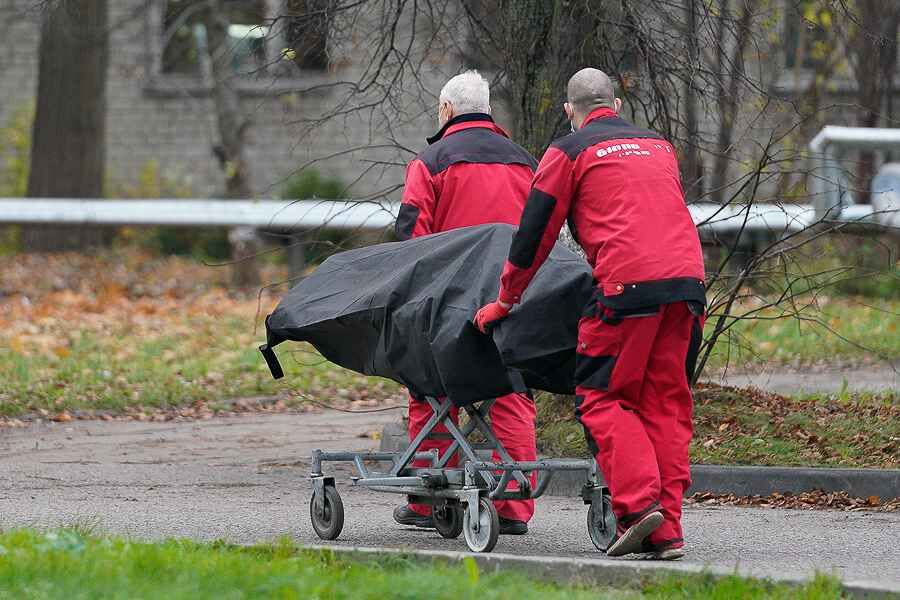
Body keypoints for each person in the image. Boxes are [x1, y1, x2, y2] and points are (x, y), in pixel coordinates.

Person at [474, 68, 706, 559]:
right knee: (666, 405)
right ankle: (667, 531)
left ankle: (639, 508)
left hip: (626, 291)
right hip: (687, 287)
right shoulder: (659, 146)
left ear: (569, 111)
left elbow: (534, 234)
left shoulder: (569, 151)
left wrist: (506, 300)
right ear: (615, 105)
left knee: (603, 397)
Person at [393, 70, 539, 535]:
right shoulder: (526, 163)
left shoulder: (430, 162)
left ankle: (430, 502)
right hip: (513, 303)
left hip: (449, 309)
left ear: (446, 110)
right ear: (488, 110)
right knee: (512, 394)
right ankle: (513, 505)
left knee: (431, 392)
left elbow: (412, 242)